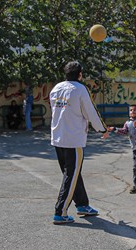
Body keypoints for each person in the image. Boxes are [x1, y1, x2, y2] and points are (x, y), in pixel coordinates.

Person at [50, 61, 109, 225]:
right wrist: (103, 130)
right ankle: (60, 212)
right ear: (80, 74)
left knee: (73, 174)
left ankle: (82, 205)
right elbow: (90, 112)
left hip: (58, 138)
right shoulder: (80, 89)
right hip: (73, 140)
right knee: (71, 175)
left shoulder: (56, 88)